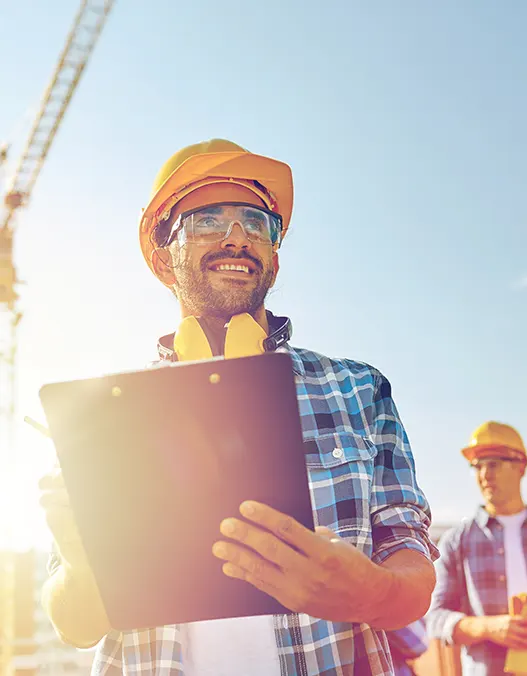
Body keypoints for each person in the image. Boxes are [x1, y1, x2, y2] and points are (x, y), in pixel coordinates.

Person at [39, 138, 437, 675]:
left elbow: (411, 584)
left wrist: (369, 593)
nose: (237, 238)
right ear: (162, 258)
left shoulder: (359, 389)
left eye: (257, 223)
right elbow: (74, 624)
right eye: (207, 220)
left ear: (274, 256)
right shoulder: (101, 418)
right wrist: (84, 565)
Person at [427, 420, 527, 675]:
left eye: (493, 464)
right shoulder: (456, 541)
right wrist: (488, 628)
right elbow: (435, 618)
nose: (484, 475)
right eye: (477, 466)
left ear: (520, 466)